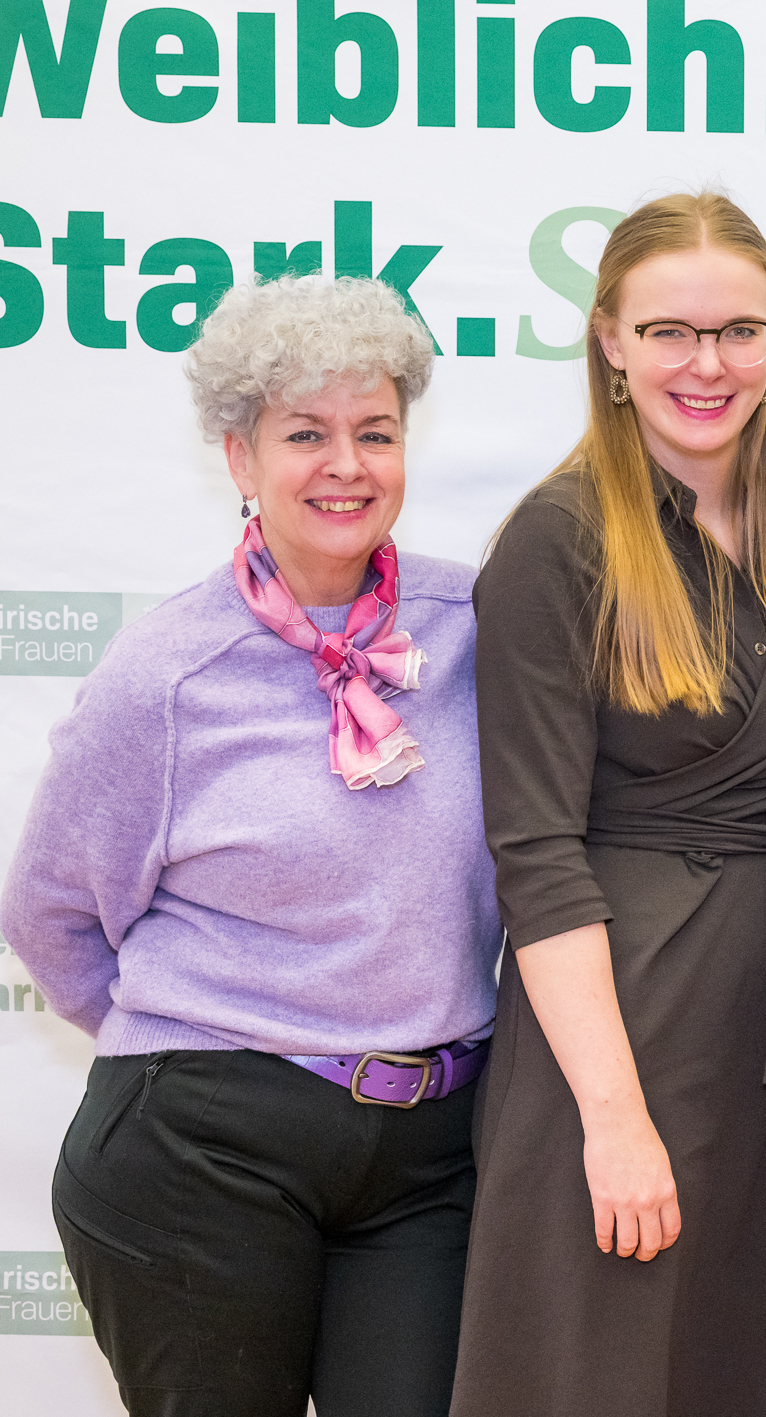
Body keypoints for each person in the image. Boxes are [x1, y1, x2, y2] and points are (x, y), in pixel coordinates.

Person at [0, 275, 499, 1416]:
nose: (346, 465)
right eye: (305, 434)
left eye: (375, 432)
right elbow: (50, 914)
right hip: (206, 1150)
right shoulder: (166, 672)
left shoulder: (478, 625)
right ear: (240, 457)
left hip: (430, 1153)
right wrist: (207, 1040)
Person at [449, 193, 766, 1417]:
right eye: (669, 332)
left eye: (738, 331)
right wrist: (614, 1117)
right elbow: (535, 851)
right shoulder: (555, 539)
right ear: (609, 343)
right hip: (623, 1031)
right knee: (601, 1376)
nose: (707, 363)